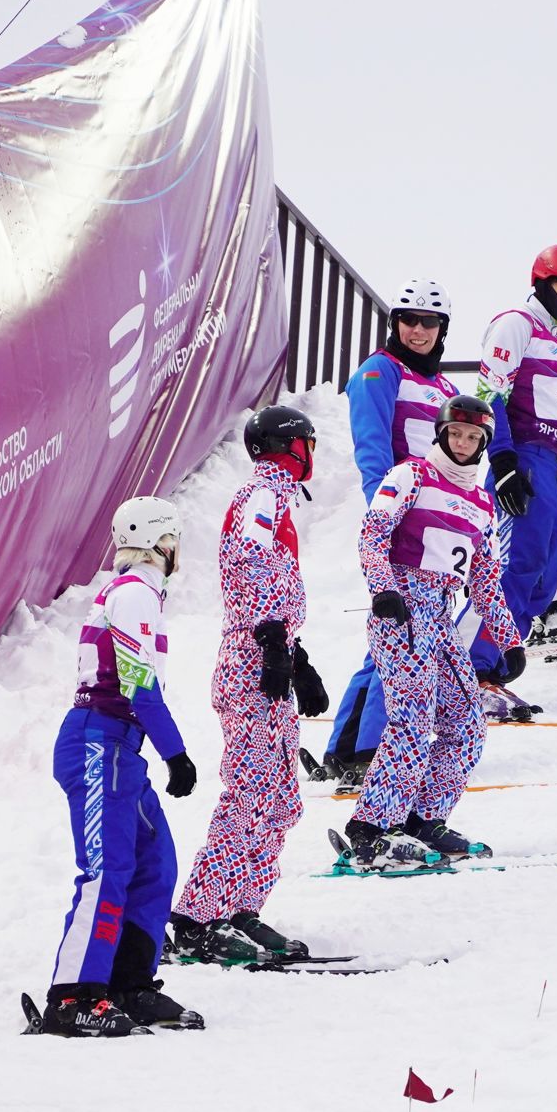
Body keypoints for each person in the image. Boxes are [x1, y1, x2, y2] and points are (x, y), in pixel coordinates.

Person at [170, 407, 329, 967]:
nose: (313, 454)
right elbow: (248, 564)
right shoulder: (263, 495)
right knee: (250, 791)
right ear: (291, 448)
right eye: (308, 444)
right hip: (251, 660)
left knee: (281, 795)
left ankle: (240, 906)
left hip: (271, 653)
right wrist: (269, 640)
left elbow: (272, 584)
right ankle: (196, 919)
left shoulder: (276, 497)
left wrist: (296, 656)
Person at [40, 497, 204, 1037]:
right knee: (106, 868)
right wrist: (175, 751)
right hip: (98, 742)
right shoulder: (134, 592)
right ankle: (73, 996)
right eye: (175, 541)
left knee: (155, 861)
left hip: (119, 748)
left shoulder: (141, 594)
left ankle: (127, 983)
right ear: (163, 542)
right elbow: (137, 682)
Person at [344, 396, 524, 868]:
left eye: (473, 438)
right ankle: (369, 827)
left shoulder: (482, 503)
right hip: (401, 609)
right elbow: (373, 531)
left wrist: (509, 640)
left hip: (440, 615)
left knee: (466, 722)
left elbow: (485, 577)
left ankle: (422, 819)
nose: (463, 444)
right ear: (441, 433)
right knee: (413, 720)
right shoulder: (412, 475)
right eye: (455, 434)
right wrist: (383, 589)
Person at [324, 279, 453, 784]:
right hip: (401, 522)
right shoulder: (380, 371)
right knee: (402, 635)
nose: (417, 330)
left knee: (398, 635)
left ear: (443, 329)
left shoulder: (443, 389)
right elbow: (373, 452)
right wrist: (387, 520)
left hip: (437, 530)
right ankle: (366, 750)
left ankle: (348, 746)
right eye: (409, 319)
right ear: (395, 321)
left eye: (429, 322)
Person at [478, 245, 557, 661]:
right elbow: (490, 394)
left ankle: (495, 668)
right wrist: (504, 460)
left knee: (545, 579)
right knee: (516, 568)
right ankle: (469, 669)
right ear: (543, 282)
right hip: (524, 455)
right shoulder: (516, 324)